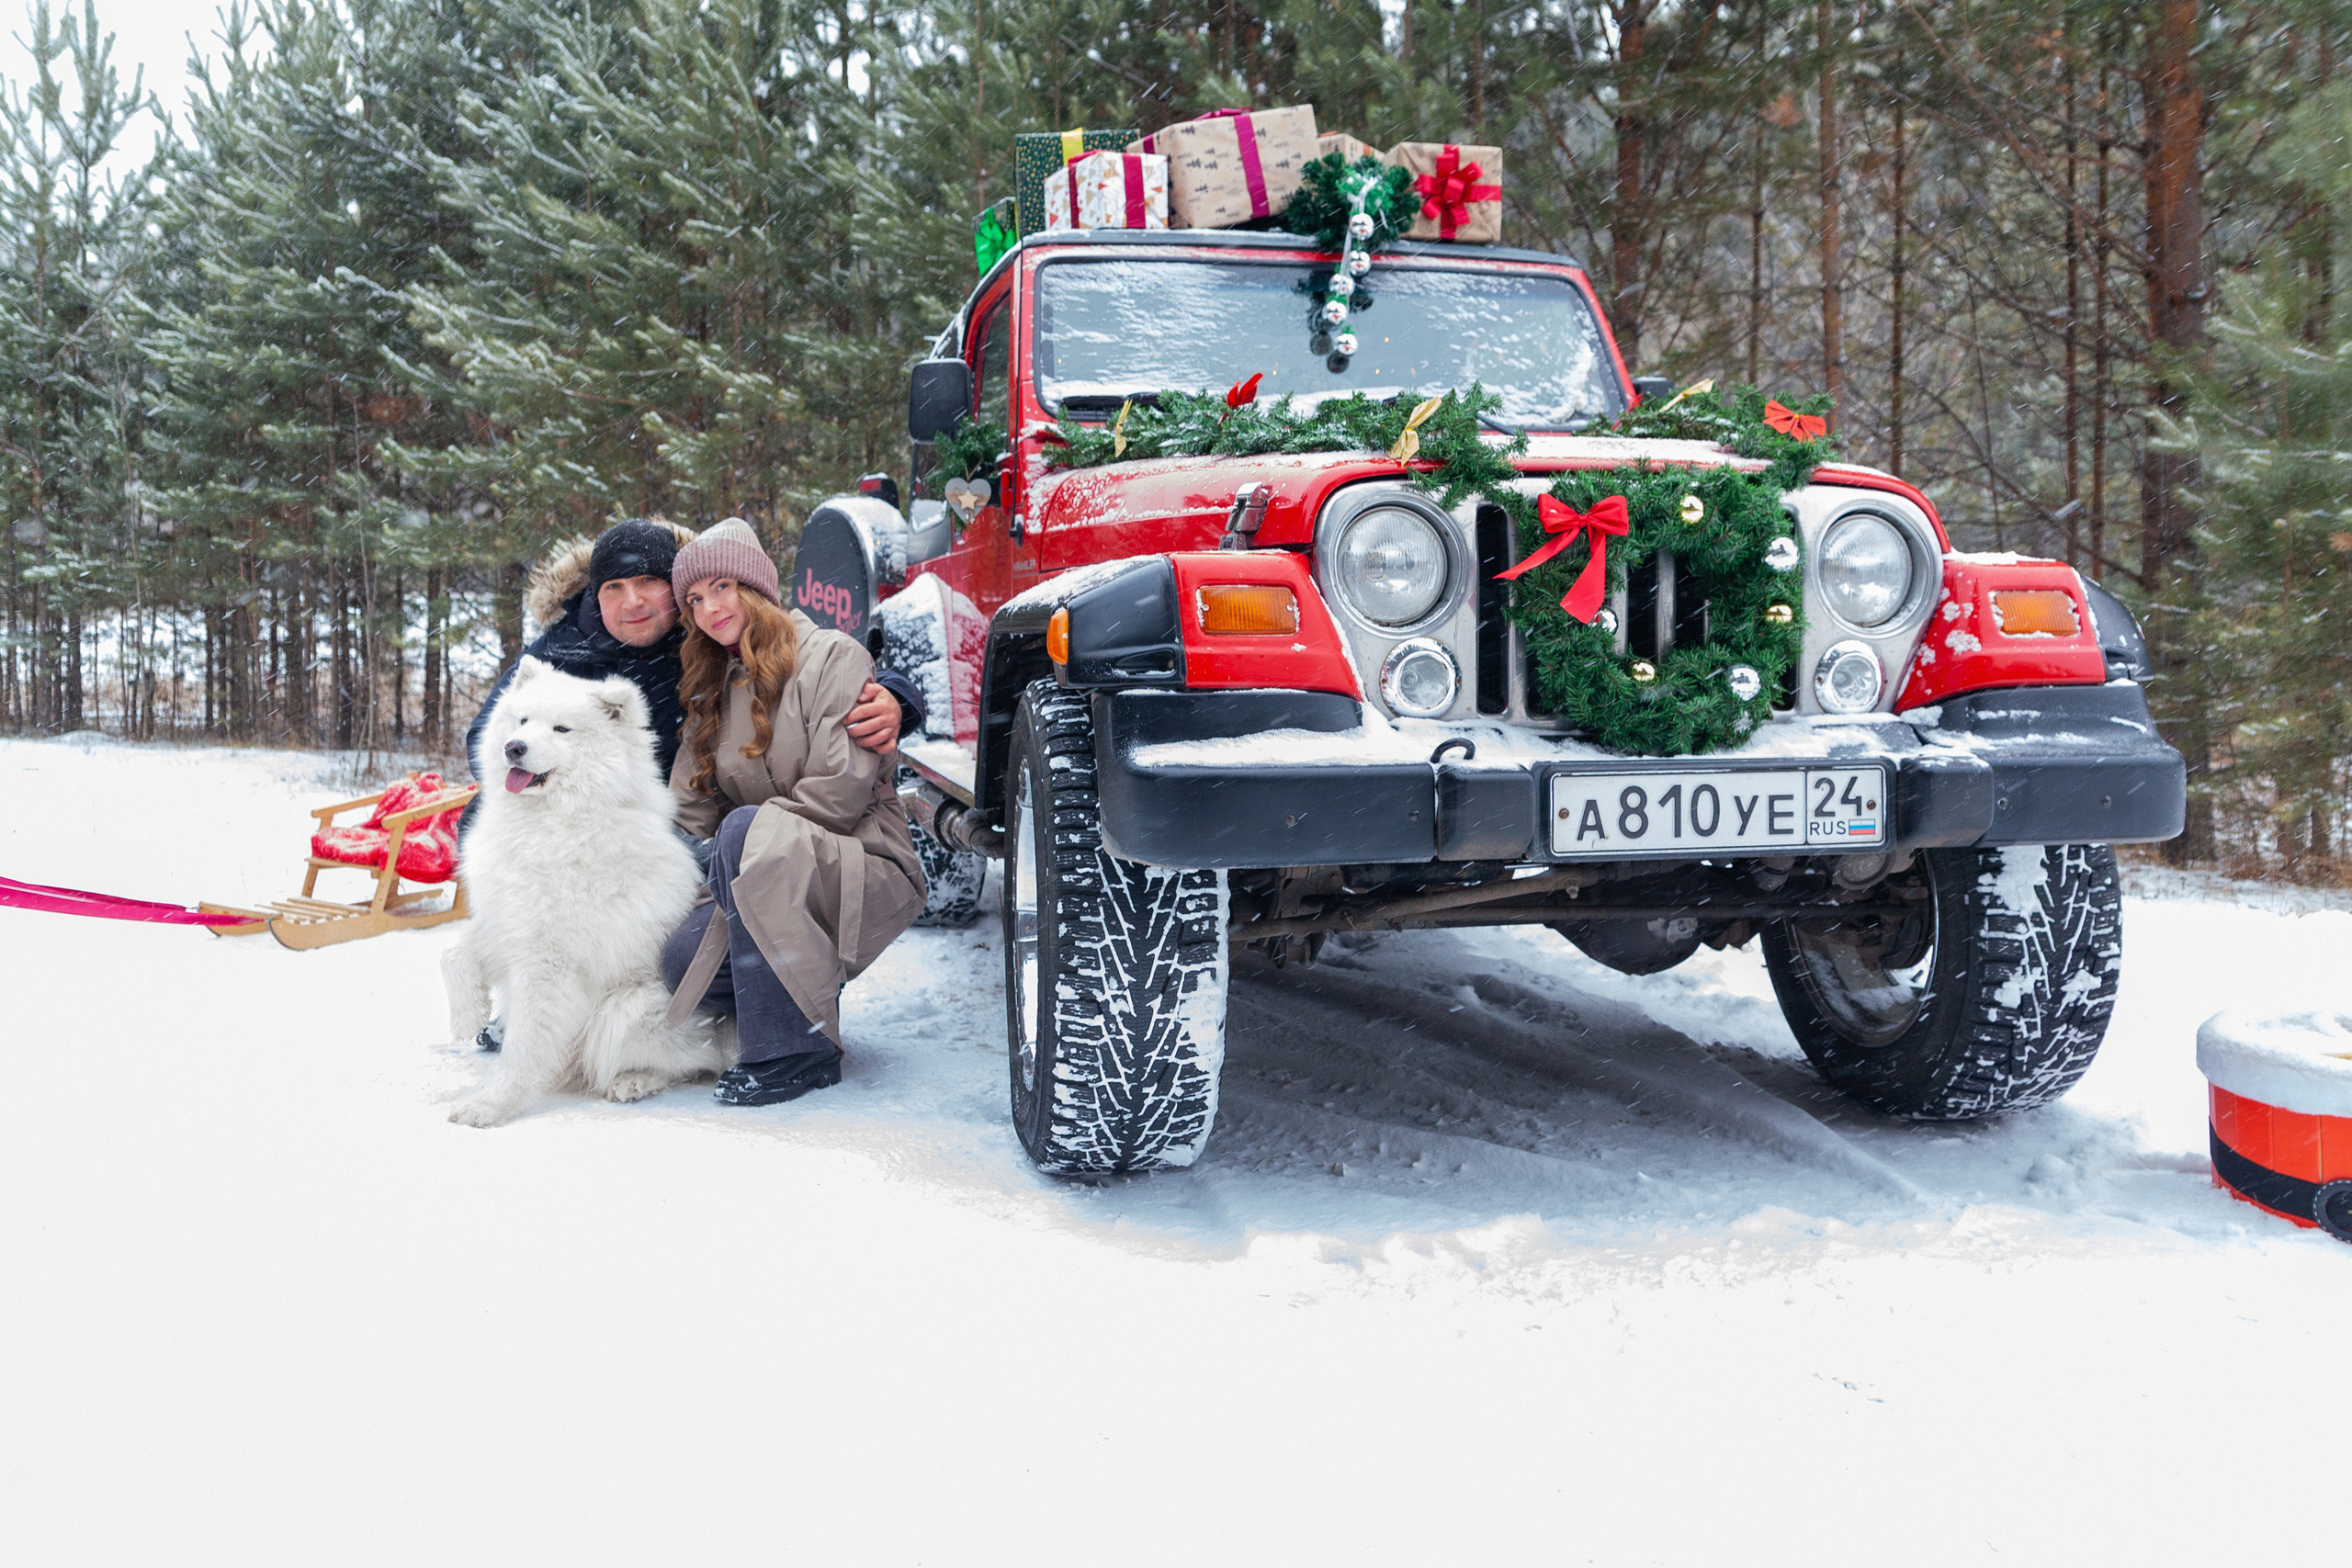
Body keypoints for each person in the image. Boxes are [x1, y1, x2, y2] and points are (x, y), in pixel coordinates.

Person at [462, 517, 922, 1054]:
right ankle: (538, 997)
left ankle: (779, 1002)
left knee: (710, 885)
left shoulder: (706, 635)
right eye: (614, 587)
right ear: (593, 594)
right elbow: (489, 739)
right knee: (496, 831)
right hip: (628, 812)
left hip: (740, 824)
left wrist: (895, 697)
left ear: (673, 592)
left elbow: (813, 656)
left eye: (648, 583)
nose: (633, 601)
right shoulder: (562, 655)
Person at [659, 520, 926, 1106]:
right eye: (695, 600)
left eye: (722, 587)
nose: (710, 608)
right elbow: (686, 815)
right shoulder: (712, 686)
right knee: (681, 959)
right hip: (764, 866)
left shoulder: (833, 657)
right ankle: (788, 991)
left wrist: (733, 847)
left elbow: (838, 796)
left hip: (863, 860)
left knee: (745, 829)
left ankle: (797, 1049)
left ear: (757, 587)